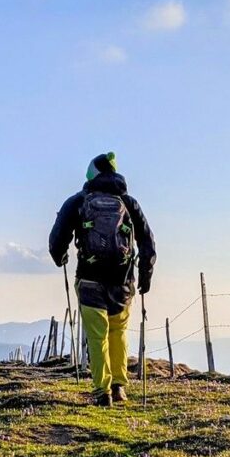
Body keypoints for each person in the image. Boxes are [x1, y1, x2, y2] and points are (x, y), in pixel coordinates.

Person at [49, 152, 156, 406]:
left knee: (97, 335)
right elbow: (148, 242)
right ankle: (119, 387)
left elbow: (56, 241)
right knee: (118, 331)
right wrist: (145, 275)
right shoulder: (128, 202)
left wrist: (60, 257)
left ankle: (102, 392)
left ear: (91, 174)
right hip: (123, 281)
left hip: (89, 279)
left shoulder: (78, 201)